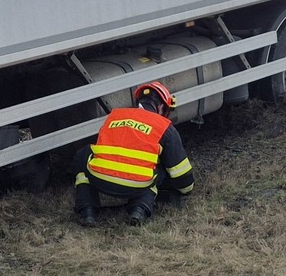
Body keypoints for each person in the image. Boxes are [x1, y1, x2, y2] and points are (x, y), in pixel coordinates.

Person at [74, 80, 195, 226]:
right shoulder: (163, 126)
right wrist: (187, 190)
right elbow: (180, 171)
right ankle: (139, 210)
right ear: (161, 107)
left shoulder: (115, 116)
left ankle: (88, 212)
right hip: (136, 185)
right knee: (157, 170)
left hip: (98, 179)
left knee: (83, 158)